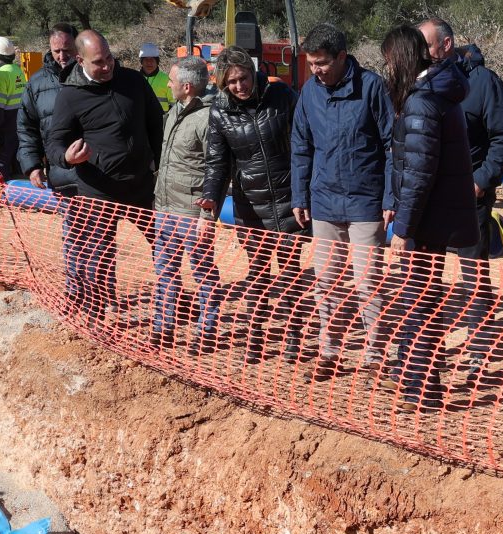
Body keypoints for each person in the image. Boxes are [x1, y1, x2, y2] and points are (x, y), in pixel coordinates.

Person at [380, 25, 478, 412]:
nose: (387, 68)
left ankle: (419, 389)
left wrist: (404, 228)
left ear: (401, 58)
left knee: (416, 302)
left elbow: (419, 172)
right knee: (422, 299)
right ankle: (415, 373)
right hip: (432, 215)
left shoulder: (422, 102)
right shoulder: (436, 92)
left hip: (425, 219)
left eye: (389, 60)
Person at [290, 23, 394, 382]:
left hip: (366, 201)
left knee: (368, 283)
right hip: (324, 203)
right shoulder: (309, 93)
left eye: (321, 63)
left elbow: (391, 144)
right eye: (312, 64)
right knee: (326, 283)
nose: (316, 70)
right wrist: (300, 195)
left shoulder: (372, 87)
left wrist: (390, 196)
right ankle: (329, 351)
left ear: (342, 57)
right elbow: (301, 146)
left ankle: (375, 355)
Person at [418, 17, 503, 374]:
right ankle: (428, 349)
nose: (419, 53)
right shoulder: (416, 81)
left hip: (468, 197)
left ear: (445, 45)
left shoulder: (483, 82)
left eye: (425, 45)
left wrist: (480, 181)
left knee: (473, 274)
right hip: (424, 199)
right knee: (424, 277)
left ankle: (478, 346)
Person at [45, 30, 164, 323]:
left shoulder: (134, 82)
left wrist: (159, 166)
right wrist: (66, 158)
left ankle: (173, 305)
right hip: (98, 190)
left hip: (140, 185)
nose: (108, 66)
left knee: (164, 247)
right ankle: (96, 314)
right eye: (99, 62)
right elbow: (54, 142)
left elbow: (156, 125)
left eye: (109, 58)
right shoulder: (71, 96)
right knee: (98, 257)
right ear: (79, 60)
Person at [199, 46, 305, 366]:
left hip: (288, 199)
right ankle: (255, 336)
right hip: (250, 204)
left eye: (243, 78)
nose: (239, 86)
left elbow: (304, 142)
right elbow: (217, 164)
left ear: (252, 72)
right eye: (231, 82)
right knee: (257, 275)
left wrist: (306, 190)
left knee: (290, 274)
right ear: (222, 84)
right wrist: (209, 206)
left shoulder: (281, 95)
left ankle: (293, 338)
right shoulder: (219, 111)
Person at [151, 56, 221, 356]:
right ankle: (164, 327)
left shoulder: (207, 119)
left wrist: (207, 215)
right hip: (164, 209)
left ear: (187, 86)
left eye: (171, 80)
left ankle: (207, 331)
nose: (167, 84)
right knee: (164, 271)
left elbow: (215, 170)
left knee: (204, 274)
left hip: (192, 213)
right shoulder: (174, 112)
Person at [18, 23, 79, 193]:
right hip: (61, 178)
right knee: (70, 220)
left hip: (97, 178)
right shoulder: (36, 83)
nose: (62, 56)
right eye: (56, 51)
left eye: (67, 50)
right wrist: (32, 165)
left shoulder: (94, 76)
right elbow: (26, 127)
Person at [0, 36, 27, 180]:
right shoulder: (17, 70)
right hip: (19, 121)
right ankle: (19, 196)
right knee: (16, 161)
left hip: (5, 124)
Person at [140, 42, 174, 113]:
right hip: (140, 121)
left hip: (162, 121)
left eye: (152, 60)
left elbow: (174, 104)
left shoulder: (166, 79)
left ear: (157, 61)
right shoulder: (135, 78)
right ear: (141, 62)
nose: (149, 63)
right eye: (146, 59)